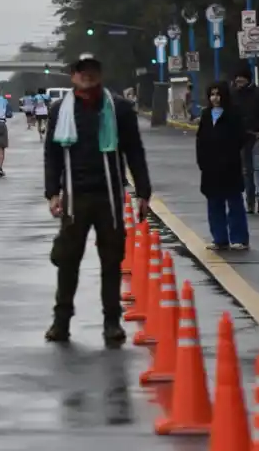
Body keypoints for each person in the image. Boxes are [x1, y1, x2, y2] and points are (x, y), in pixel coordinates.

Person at [44, 53, 151, 345]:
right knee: (68, 261)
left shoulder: (119, 109)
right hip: (75, 196)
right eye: (82, 71)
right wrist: (52, 192)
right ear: (73, 75)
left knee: (111, 260)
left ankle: (112, 322)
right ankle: (61, 321)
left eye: (92, 70)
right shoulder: (59, 111)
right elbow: (52, 155)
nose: (87, 75)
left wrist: (143, 192)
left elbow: (134, 151)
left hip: (110, 196)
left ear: (100, 74)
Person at [196, 82, 249, 251]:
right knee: (214, 204)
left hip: (230, 166)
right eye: (212, 94)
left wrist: (229, 155)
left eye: (218, 94)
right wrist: (203, 162)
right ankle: (219, 238)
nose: (215, 98)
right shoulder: (205, 115)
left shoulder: (234, 114)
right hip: (210, 168)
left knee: (234, 203)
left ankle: (239, 238)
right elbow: (200, 140)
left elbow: (240, 138)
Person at [231, 63, 259, 215]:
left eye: (241, 80)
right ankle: (250, 201)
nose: (239, 83)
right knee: (246, 171)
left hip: (257, 136)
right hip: (240, 138)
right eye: (237, 80)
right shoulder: (233, 95)